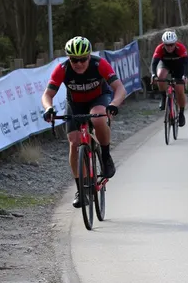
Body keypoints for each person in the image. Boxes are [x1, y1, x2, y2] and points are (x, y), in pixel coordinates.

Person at [42, 36, 126, 208]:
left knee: (98, 117)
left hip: (99, 98)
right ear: (69, 59)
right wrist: (48, 108)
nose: (79, 64)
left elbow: (119, 88)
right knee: (74, 142)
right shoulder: (63, 69)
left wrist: (114, 104)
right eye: (74, 60)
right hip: (75, 104)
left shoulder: (99, 64)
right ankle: (81, 189)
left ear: (89, 57)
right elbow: (47, 95)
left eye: (82, 59)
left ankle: (105, 154)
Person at [151, 30, 188, 127]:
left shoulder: (180, 48)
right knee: (160, 77)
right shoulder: (159, 48)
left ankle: (181, 113)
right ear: (163, 44)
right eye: (167, 45)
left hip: (178, 67)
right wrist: (153, 75)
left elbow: (186, 64)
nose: (169, 47)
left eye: (172, 45)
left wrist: (185, 76)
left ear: (175, 43)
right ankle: (164, 97)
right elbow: (154, 63)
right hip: (165, 64)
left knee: (179, 90)